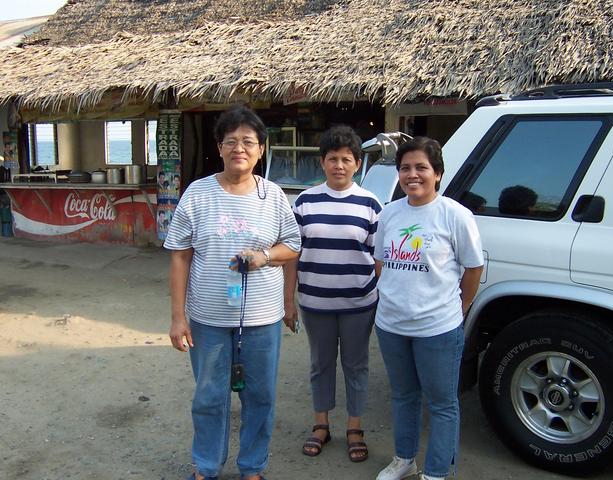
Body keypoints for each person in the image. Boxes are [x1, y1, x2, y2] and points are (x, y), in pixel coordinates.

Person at [165, 105, 301, 480]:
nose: (239, 148)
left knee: (260, 397)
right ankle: (207, 466)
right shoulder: (198, 193)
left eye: (248, 141)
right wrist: (178, 318)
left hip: (261, 319)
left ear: (261, 150)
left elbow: (293, 245)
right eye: (231, 141)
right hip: (208, 318)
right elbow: (180, 256)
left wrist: (264, 256)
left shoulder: (273, 196)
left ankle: (252, 467)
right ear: (219, 148)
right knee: (209, 398)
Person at [373, 137, 484, 480]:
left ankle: (437, 472)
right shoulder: (390, 213)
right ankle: (405, 460)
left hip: (437, 328)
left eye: (421, 167)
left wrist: (460, 307)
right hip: (391, 325)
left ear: (437, 173)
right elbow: (381, 263)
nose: (412, 175)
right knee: (403, 396)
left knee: (442, 403)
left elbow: (473, 268)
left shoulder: (455, 215)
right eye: (405, 168)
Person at [283, 125, 382, 463]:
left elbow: (379, 258)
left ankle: (355, 428)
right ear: (322, 163)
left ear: (357, 163)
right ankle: (321, 424)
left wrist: (375, 294)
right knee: (320, 364)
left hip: (359, 305)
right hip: (315, 303)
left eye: (346, 159)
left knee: (356, 365)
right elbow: (292, 255)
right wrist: (289, 301)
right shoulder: (305, 202)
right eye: (332, 159)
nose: (339, 165)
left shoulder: (371, 204)